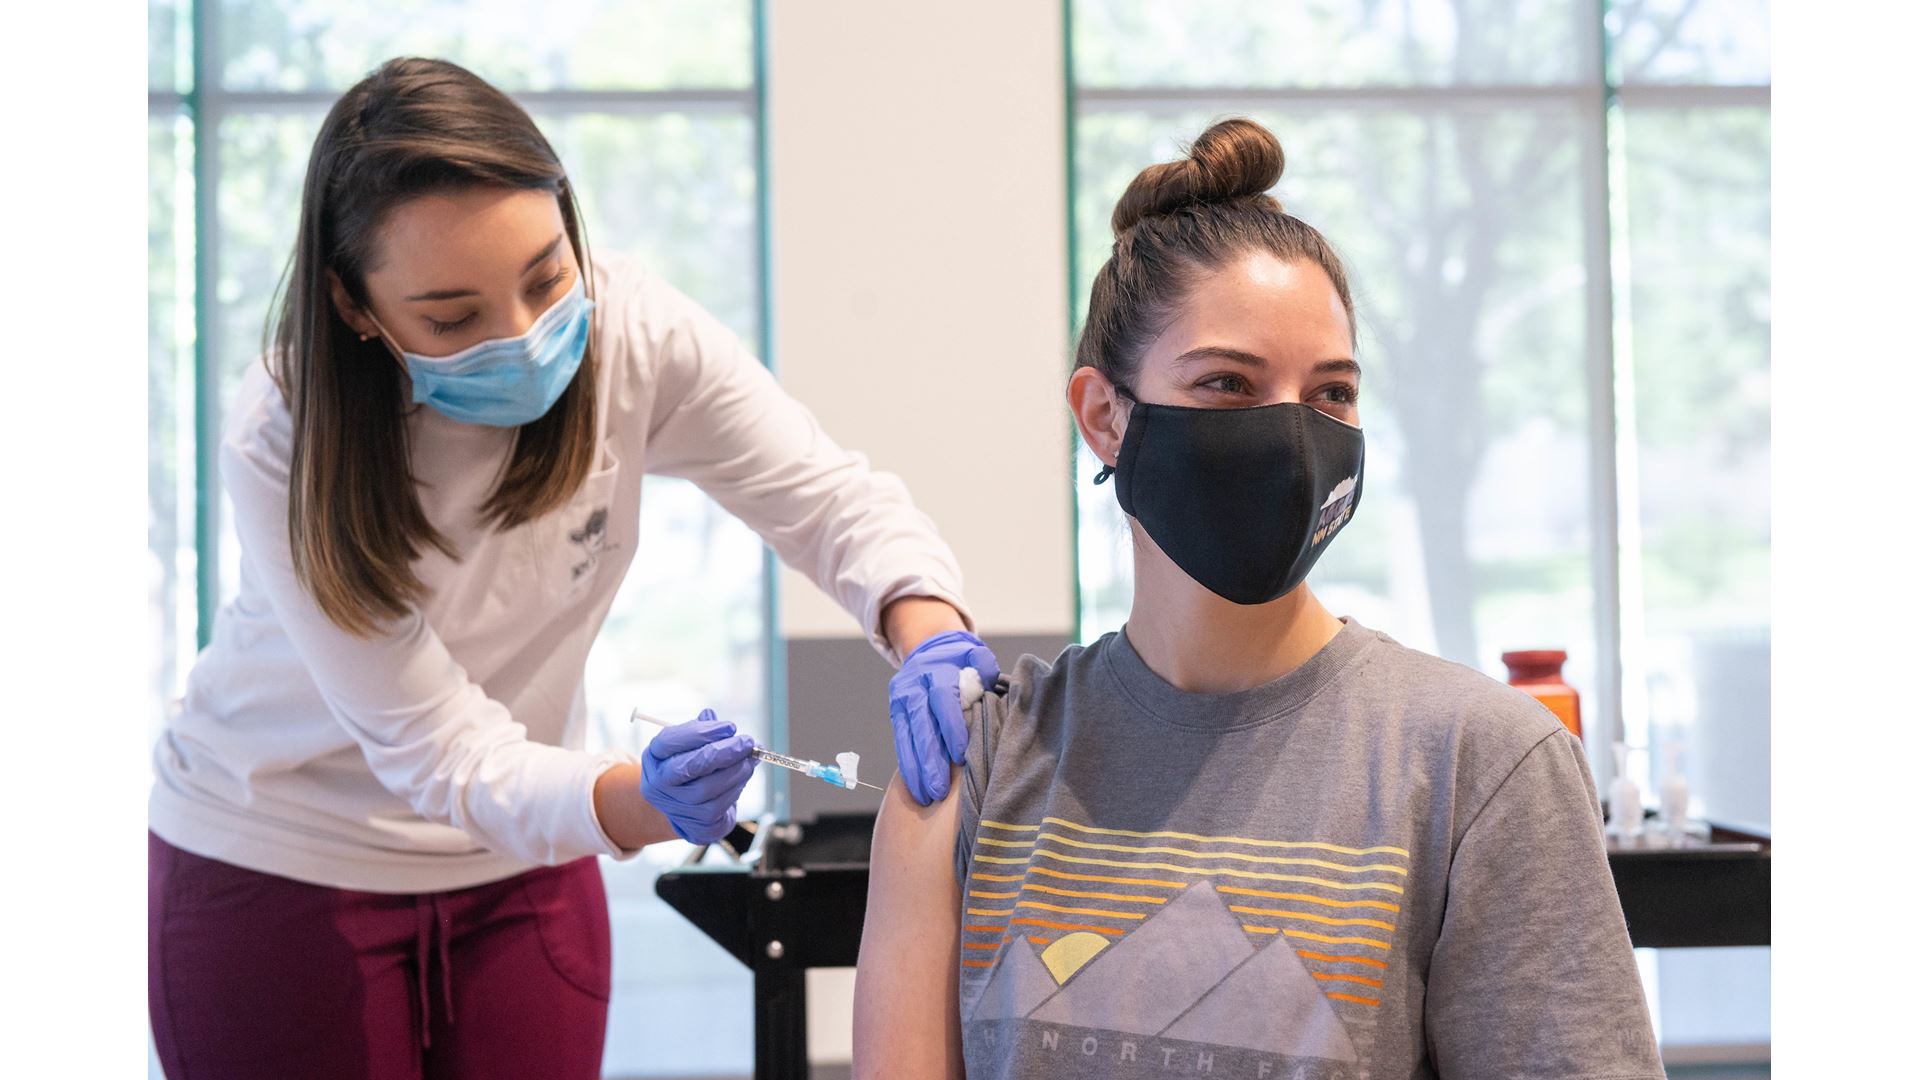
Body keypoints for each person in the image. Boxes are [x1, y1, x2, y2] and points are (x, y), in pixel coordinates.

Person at [147, 57, 996, 1080]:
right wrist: (644, 802)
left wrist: (927, 624)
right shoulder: (285, 436)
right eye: (453, 319)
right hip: (281, 863)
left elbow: (829, 500)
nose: (523, 336)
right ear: (353, 305)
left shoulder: (635, 336)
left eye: (548, 277)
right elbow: (441, 755)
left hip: (526, 863)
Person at [851, 118, 1664, 1079]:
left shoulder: (1480, 765)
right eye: (1229, 384)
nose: (1290, 439)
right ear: (1107, 417)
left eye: (1330, 396)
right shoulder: (977, 761)